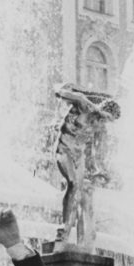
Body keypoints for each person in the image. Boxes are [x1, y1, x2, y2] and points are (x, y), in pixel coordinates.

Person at [53, 82, 121, 248]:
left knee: (84, 191)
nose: (104, 122)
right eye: (105, 117)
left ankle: (84, 237)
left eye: (108, 121)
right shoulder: (83, 104)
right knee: (73, 184)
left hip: (79, 155)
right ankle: (64, 227)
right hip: (64, 148)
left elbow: (95, 149)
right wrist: (63, 89)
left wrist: (99, 168)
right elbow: (59, 92)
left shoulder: (99, 126)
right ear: (102, 110)